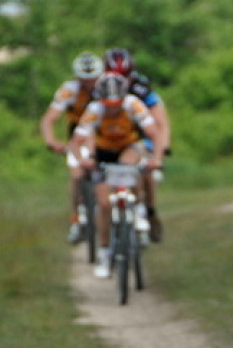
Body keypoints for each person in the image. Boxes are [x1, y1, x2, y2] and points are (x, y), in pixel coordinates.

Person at [70, 72, 165, 278]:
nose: (112, 108)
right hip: (104, 153)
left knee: (131, 163)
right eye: (108, 104)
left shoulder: (133, 104)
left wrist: (156, 158)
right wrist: (83, 160)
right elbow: (76, 141)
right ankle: (105, 252)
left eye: (116, 103)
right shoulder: (94, 110)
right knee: (103, 204)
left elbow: (154, 133)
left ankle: (137, 207)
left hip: (128, 147)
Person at [103, 47, 171, 243]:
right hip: (110, 139)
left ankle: (149, 211)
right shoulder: (100, 88)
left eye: (126, 76)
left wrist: (160, 152)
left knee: (145, 169)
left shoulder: (142, 89)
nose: (121, 81)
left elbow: (161, 124)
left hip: (141, 138)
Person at [39, 51, 104, 244]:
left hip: (101, 134)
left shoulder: (107, 87)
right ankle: (76, 218)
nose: (88, 83)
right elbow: (49, 119)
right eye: (84, 79)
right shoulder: (69, 90)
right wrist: (51, 140)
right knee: (76, 175)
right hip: (78, 135)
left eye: (92, 79)